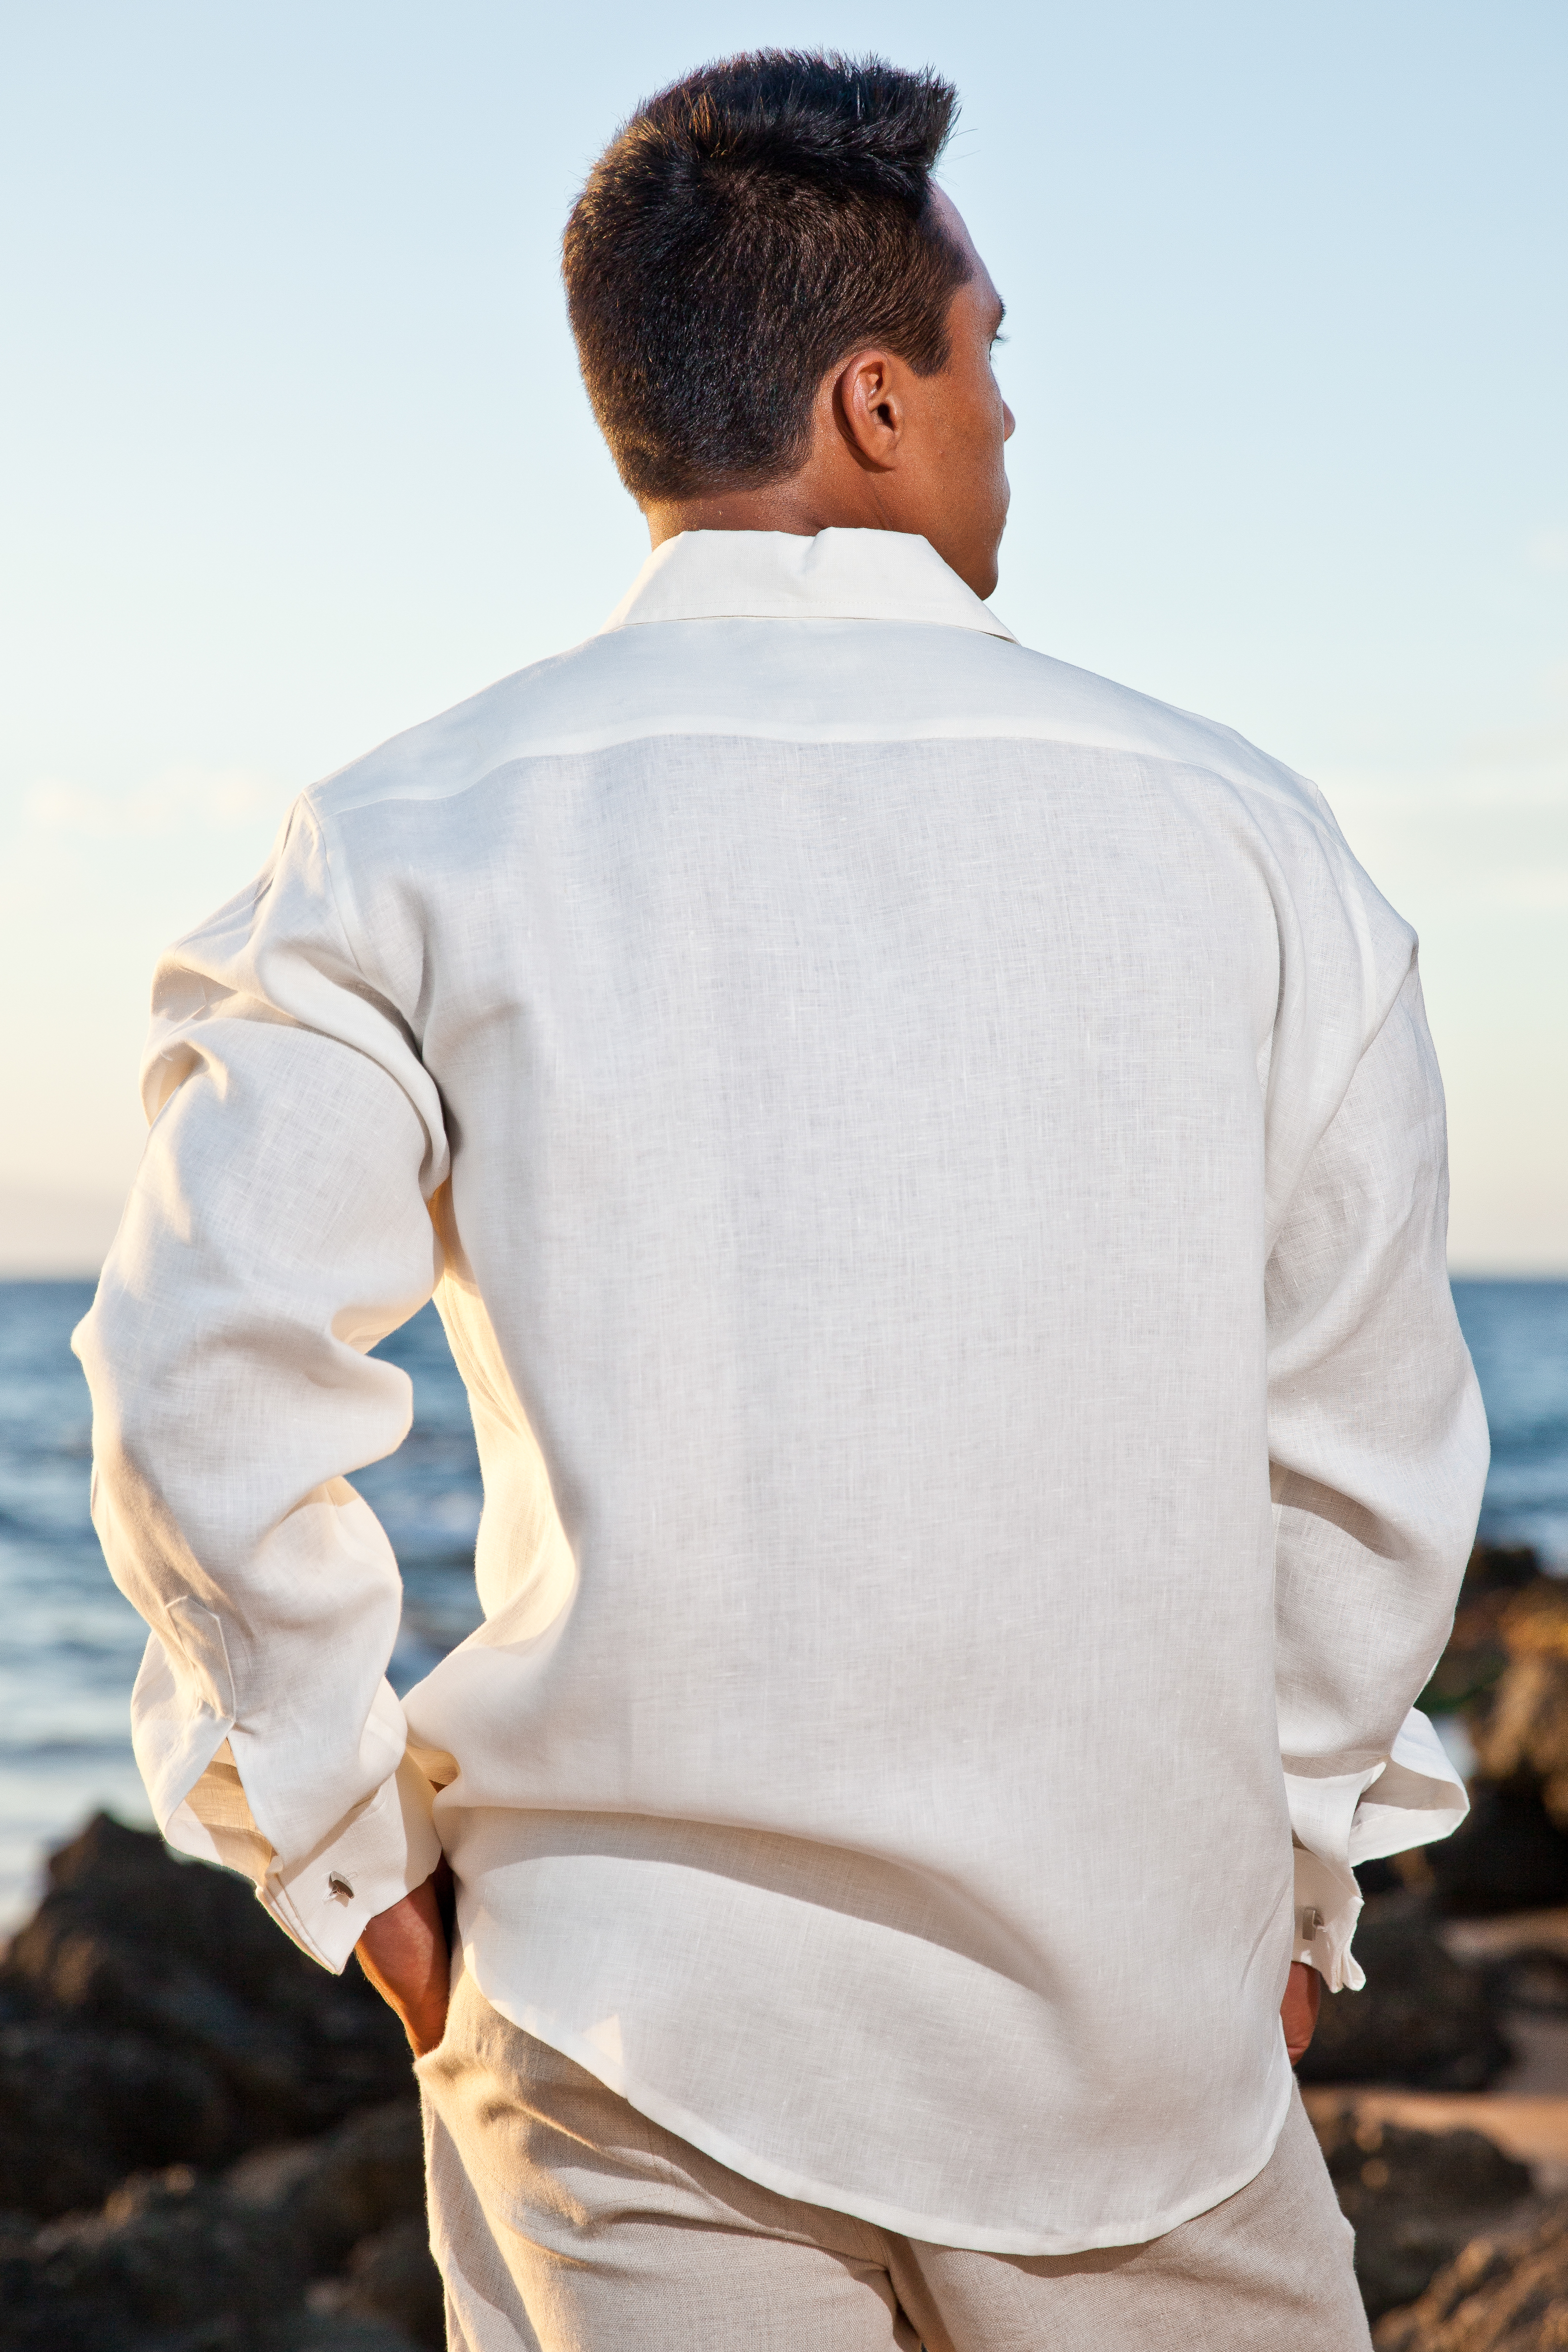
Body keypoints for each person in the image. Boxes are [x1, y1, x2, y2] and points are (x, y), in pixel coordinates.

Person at [76, 50, 1488, 2352]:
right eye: (985, 356)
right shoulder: (1246, 843)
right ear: (866, 404)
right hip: (1142, 2065)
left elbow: (197, 1381)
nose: (1005, 415)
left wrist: (343, 1861)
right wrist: (1299, 1882)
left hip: (622, 2053)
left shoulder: (409, 835)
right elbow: (1362, 1453)